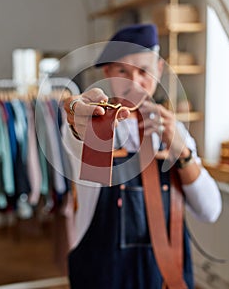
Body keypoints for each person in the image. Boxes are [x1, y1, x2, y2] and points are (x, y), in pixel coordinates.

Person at [62, 24, 222, 289]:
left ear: (158, 70)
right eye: (123, 71)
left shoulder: (175, 130)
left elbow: (210, 210)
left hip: (165, 278)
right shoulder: (97, 125)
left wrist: (182, 151)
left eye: (143, 71)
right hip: (103, 275)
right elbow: (80, 151)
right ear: (108, 72)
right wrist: (79, 125)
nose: (134, 83)